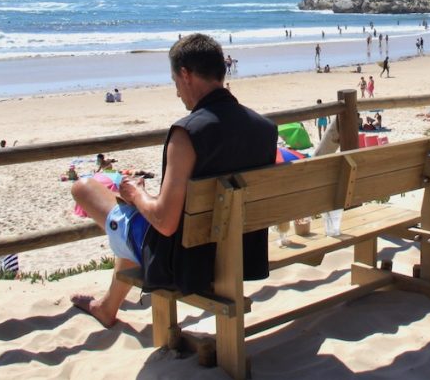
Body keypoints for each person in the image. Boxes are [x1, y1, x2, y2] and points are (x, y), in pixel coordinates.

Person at [70, 33, 276, 328]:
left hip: (187, 261)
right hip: (243, 253)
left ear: (185, 74)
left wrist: (136, 194)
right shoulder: (264, 128)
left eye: (175, 83)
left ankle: (106, 307)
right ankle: (107, 306)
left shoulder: (186, 133)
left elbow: (165, 223)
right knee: (136, 221)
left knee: (86, 190)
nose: (178, 92)